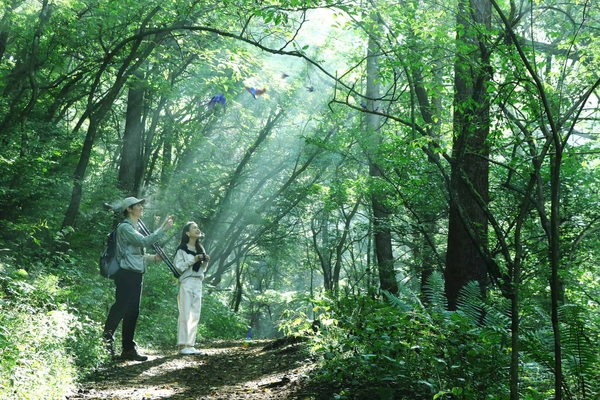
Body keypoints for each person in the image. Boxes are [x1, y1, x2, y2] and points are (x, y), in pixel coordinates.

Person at [103, 196, 174, 361]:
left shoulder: (134, 227)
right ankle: (106, 343)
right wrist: (163, 229)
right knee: (120, 308)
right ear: (129, 209)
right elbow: (143, 241)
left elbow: (136, 255)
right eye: (137, 205)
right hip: (126, 274)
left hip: (135, 273)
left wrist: (154, 258)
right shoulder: (125, 227)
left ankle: (128, 349)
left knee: (133, 311)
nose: (141, 207)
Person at [174, 221, 210, 355]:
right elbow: (179, 267)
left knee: (195, 314)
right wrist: (193, 260)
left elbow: (202, 269)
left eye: (198, 227)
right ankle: (182, 345)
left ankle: (190, 344)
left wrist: (205, 261)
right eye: (194, 228)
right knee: (184, 312)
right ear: (187, 233)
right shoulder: (181, 249)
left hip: (198, 282)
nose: (197, 229)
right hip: (186, 281)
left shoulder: (201, 249)